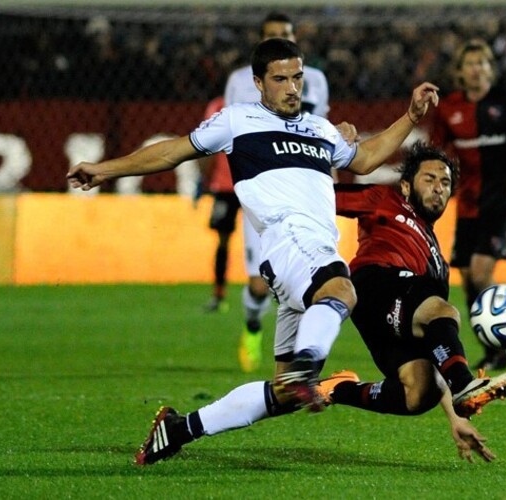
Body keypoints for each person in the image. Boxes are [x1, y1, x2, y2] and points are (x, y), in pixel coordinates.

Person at [67, 38, 440, 465]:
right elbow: (172, 152)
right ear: (259, 83)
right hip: (291, 242)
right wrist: (103, 169)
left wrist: (410, 116)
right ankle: (307, 362)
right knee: (342, 290)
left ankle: (179, 429)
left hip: (302, 260)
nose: (291, 87)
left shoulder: (320, 129)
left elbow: (367, 158)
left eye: (297, 77)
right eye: (280, 79)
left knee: (285, 394)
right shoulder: (238, 121)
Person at [313, 142, 506, 463]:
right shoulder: (385, 199)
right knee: (441, 309)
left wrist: (458, 418)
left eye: (445, 183)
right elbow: (319, 196)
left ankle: (337, 389)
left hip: (391, 311)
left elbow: (437, 346)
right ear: (406, 184)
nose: (438, 188)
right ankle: (465, 385)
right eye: (429, 179)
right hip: (374, 282)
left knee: (419, 393)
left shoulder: (438, 264)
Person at [223, 12, 331, 373]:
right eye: (271, 35)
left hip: (306, 196)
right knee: (257, 285)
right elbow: (234, 139)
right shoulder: (238, 82)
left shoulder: (315, 80)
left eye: (285, 34)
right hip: (267, 192)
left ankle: (297, 361)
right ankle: (254, 328)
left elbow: (320, 131)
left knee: (316, 279)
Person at [430, 38, 506, 371]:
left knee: (481, 273)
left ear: (490, 69)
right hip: (467, 202)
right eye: (471, 63)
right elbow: (438, 151)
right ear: (461, 72)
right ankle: (494, 349)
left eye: (483, 63)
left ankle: (504, 334)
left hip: (499, 200)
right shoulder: (449, 108)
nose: (477, 69)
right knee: (467, 279)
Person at [198, 96, 236, 314]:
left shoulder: (262, 102)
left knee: (266, 242)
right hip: (224, 185)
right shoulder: (218, 105)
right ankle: (219, 294)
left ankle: (266, 294)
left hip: (253, 183)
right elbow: (206, 144)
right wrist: (204, 179)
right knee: (222, 242)